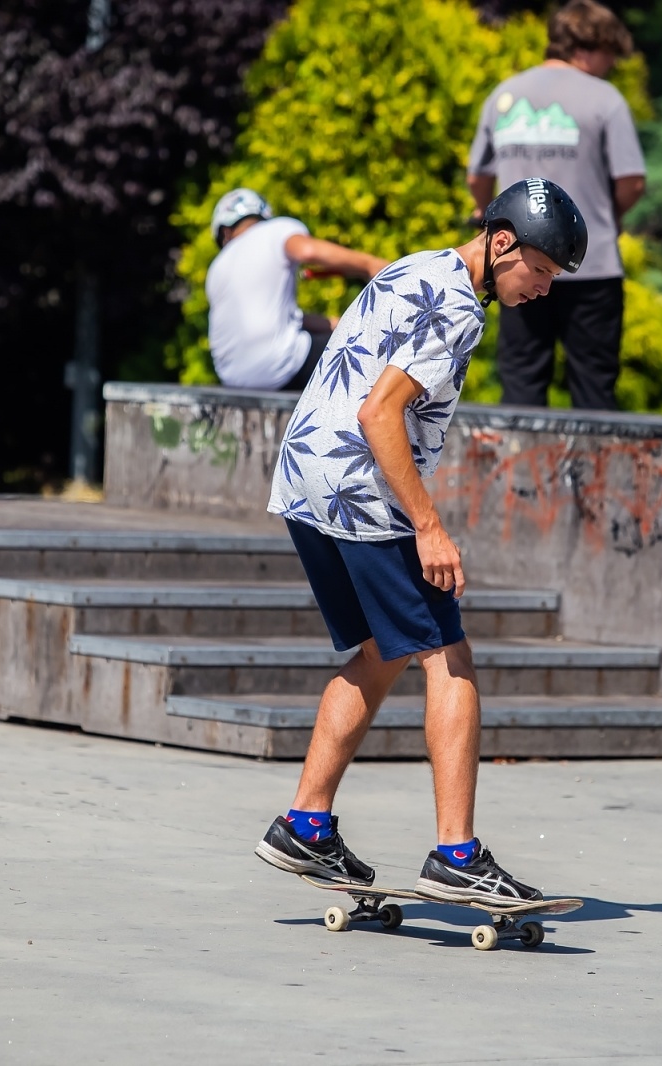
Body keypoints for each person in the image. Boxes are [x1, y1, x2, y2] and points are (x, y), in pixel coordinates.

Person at [255, 178, 588, 905]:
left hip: (306, 472)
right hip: (359, 481)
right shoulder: (461, 309)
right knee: (449, 653)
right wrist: (429, 527)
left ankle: (305, 827)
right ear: (502, 244)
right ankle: (456, 855)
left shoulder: (414, 265)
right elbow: (382, 415)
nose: (543, 289)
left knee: (384, 650)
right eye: (541, 271)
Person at [466, 0, 646, 410]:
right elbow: (632, 181)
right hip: (592, 263)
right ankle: (595, 475)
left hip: (517, 265)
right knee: (594, 389)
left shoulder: (505, 95)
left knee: (522, 383)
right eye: (609, 57)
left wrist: (486, 216)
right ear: (587, 48)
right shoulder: (605, 99)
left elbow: (477, 177)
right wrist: (609, 219)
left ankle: (522, 474)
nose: (610, 67)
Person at [205, 188, 389, 392]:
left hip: (234, 380)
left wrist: (336, 323)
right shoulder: (276, 229)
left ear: (224, 232)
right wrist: (370, 264)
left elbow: (278, 321)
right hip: (284, 367)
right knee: (380, 346)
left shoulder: (216, 267)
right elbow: (307, 250)